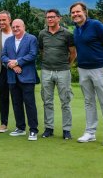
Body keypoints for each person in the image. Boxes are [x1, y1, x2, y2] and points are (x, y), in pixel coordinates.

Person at [70, 2, 103, 146]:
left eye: (78, 12)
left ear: (85, 12)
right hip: (83, 69)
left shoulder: (95, 25)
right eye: (73, 13)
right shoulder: (76, 30)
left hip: (100, 68)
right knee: (89, 101)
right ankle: (90, 132)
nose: (75, 14)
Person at [38, 9, 76, 140]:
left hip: (63, 71)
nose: (49, 19)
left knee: (65, 101)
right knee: (47, 101)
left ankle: (67, 130)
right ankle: (49, 128)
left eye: (52, 17)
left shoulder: (67, 34)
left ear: (59, 18)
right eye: (47, 17)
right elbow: (42, 51)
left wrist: (67, 66)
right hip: (46, 71)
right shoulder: (42, 34)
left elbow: (73, 53)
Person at [1, 19, 39, 141]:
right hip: (12, 77)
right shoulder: (8, 40)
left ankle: (33, 130)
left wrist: (18, 62)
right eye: (13, 27)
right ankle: (20, 128)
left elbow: (33, 55)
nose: (15, 28)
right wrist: (12, 65)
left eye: (18, 26)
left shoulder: (31, 39)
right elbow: (3, 56)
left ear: (24, 26)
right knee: (16, 103)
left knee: (30, 104)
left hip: (27, 77)